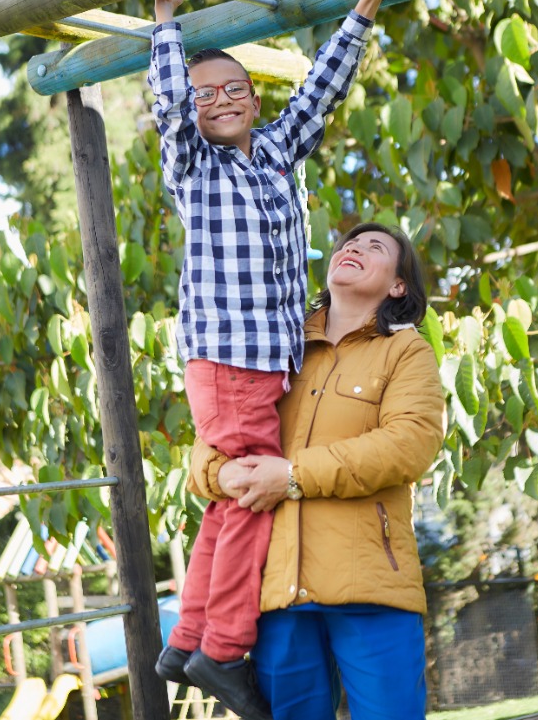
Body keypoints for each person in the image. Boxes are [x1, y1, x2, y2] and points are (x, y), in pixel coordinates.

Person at [148, 0, 411, 720]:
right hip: (229, 357)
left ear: (256, 98)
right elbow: (170, 105)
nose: (221, 101)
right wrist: (166, 22)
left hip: (261, 361)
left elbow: (324, 88)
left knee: (228, 502)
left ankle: (187, 638)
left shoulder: (276, 155)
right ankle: (223, 649)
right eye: (207, 95)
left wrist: (364, 4)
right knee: (251, 497)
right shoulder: (193, 165)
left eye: (235, 89)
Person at [188, 222, 446, 720]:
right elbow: (207, 446)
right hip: (276, 592)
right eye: (350, 243)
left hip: (372, 586)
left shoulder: (407, 351)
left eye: (375, 248)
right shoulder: (275, 346)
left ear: (398, 286)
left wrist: (289, 476)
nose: (354, 248)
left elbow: (408, 444)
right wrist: (224, 477)